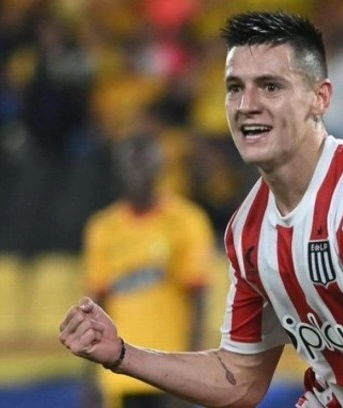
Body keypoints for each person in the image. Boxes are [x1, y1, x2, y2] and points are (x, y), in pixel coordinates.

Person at [60, 10, 343, 408]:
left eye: (270, 86)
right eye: (235, 88)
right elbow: (239, 379)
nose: (247, 105)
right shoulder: (247, 231)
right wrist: (122, 354)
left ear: (320, 98)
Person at [83, 132, 215, 408]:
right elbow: (96, 304)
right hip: (118, 373)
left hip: (169, 369)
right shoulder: (103, 228)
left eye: (145, 164)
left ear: (159, 168)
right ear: (119, 170)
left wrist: (192, 372)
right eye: (131, 165)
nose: (138, 174)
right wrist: (89, 375)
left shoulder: (187, 222)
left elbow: (199, 299)